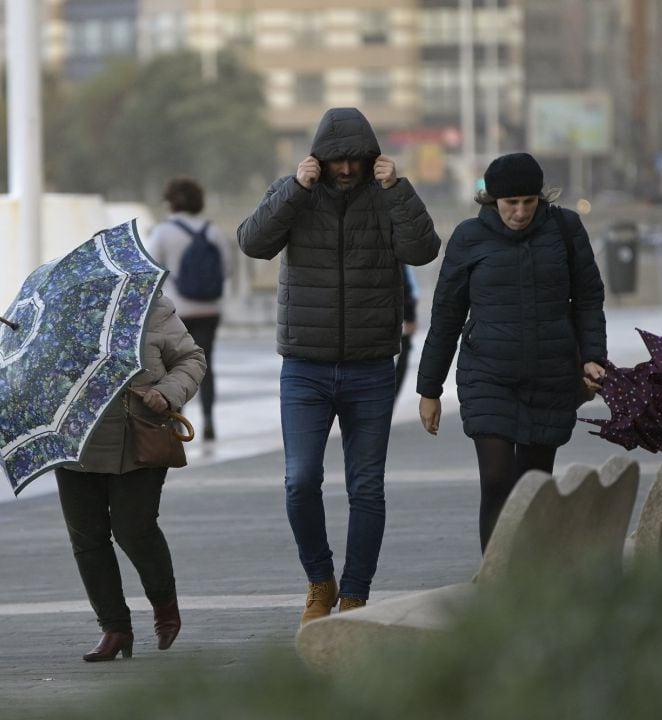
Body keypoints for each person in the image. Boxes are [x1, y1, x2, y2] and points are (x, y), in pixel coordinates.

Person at [238, 107, 441, 624]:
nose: (346, 168)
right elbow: (253, 243)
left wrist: (398, 188)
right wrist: (295, 191)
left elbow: (423, 249)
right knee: (300, 480)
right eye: (336, 160)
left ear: (371, 156)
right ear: (319, 159)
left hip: (372, 366)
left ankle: (355, 593)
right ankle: (319, 579)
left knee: (366, 486)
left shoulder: (386, 194)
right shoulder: (295, 192)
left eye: (355, 159)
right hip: (305, 365)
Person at [416, 152, 607, 553]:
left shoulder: (565, 228)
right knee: (498, 478)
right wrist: (429, 388)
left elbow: (588, 298)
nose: (519, 212)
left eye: (528, 202)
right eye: (510, 204)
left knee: (534, 482)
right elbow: (446, 315)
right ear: (492, 201)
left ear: (541, 198)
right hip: (488, 374)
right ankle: (496, 581)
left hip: (551, 371)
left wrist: (593, 356)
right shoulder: (469, 238)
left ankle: (529, 579)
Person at [55, 294, 206, 661]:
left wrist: (166, 393)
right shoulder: (62, 313)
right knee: (87, 538)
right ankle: (115, 628)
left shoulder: (151, 306)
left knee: (133, 529)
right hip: (75, 442)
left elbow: (191, 358)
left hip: (140, 437)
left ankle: (164, 605)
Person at [146, 177, 234, 441]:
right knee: (205, 365)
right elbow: (226, 269)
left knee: (174, 369)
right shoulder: (213, 231)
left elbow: (151, 271)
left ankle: (177, 422)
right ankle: (208, 420)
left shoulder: (162, 232)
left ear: (169, 202)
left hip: (176, 313)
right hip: (209, 310)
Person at [394, 264, 419, 402]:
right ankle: (391, 397)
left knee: (403, 358)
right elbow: (407, 288)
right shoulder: (400, 263)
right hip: (402, 318)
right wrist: (410, 318)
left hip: (405, 316)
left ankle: (392, 397)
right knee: (401, 360)